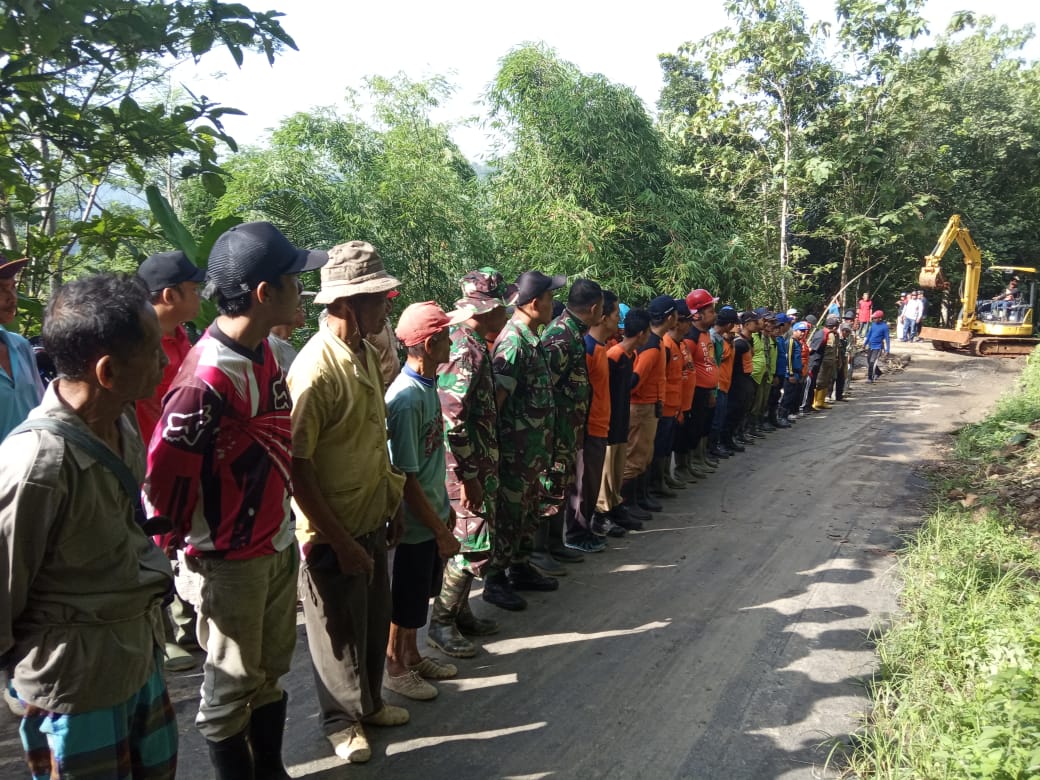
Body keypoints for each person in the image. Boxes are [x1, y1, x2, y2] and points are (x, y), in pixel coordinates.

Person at [144, 221, 327, 780]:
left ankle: (271, 770)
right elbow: (162, 483)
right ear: (264, 292)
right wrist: (189, 554)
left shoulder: (263, 354)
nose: (303, 291)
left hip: (271, 543)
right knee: (228, 691)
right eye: (294, 280)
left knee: (269, 673)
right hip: (227, 560)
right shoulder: (204, 381)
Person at [1, 273, 177, 779]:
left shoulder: (119, 421)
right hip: (76, 692)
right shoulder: (36, 466)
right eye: (151, 349)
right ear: (107, 371)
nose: (164, 360)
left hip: (138, 660)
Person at [287, 240, 409, 764]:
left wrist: (393, 500)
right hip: (329, 528)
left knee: (370, 616)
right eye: (379, 298)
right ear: (347, 303)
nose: (387, 306)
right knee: (335, 631)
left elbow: (371, 439)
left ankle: (370, 702)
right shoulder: (315, 370)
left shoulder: (362, 353)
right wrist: (336, 537)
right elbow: (298, 466)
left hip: (369, 512)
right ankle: (342, 722)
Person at [385, 302, 468, 702]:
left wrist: (445, 509)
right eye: (447, 336)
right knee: (406, 595)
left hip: (432, 512)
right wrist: (436, 528)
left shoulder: (428, 387)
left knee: (420, 593)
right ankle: (395, 665)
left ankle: (413, 656)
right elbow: (404, 475)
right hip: (415, 522)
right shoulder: (405, 399)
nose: (452, 341)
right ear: (431, 343)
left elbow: (430, 458)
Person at [430, 269, 509, 658]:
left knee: (474, 539)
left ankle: (460, 613)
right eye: (501, 309)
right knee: (470, 542)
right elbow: (452, 419)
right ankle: (442, 622)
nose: (506, 316)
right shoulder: (467, 349)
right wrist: (469, 477)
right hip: (464, 469)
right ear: (484, 311)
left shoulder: (471, 342)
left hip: (475, 463)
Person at [135, 249, 206, 673]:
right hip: (147, 460)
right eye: (193, 289)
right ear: (168, 294)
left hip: (184, 454)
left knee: (178, 537)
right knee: (151, 542)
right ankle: (160, 632)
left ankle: (185, 620)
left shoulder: (184, 336)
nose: (200, 294)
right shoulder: (138, 343)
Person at [485, 271, 563, 610]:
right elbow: (496, 403)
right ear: (534, 304)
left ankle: (519, 566)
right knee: (510, 514)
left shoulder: (531, 337)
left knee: (528, 510)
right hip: (515, 451)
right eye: (548, 298)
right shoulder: (514, 342)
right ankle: (495, 579)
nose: (553, 304)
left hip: (532, 449)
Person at [537, 279, 604, 562]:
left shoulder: (574, 333)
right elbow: (543, 391)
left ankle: (555, 545)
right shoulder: (560, 337)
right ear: (594, 307)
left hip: (568, 431)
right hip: (554, 432)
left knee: (561, 486)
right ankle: (538, 552)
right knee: (549, 487)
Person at [566, 290, 621, 545]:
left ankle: (585, 528)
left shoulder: (599, 348)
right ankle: (577, 534)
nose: (618, 319)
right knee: (583, 484)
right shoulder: (587, 348)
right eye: (615, 313)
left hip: (601, 424)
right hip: (588, 428)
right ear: (600, 314)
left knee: (591, 483)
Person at [596, 308, 651, 528]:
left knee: (618, 469)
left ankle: (615, 507)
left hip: (621, 419)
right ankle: (601, 514)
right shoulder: (614, 355)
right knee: (606, 472)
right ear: (641, 334)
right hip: (608, 420)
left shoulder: (630, 355)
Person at [623, 295, 677, 516]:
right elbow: (635, 380)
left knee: (644, 455)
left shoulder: (657, 343)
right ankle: (628, 502)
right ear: (669, 317)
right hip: (641, 407)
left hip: (650, 406)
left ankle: (641, 496)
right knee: (635, 456)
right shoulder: (652, 347)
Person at [0, 254, 45, 440]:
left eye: (13, 287)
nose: (12, 297)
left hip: (32, 464)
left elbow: (42, 409)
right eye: (1, 289)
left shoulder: (20, 346)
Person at [367, 290, 403, 389]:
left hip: (394, 384)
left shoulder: (386, 322)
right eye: (387, 300)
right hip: (379, 386)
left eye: (391, 300)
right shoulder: (370, 327)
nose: (390, 304)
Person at [862, 310, 891, 382]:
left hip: (878, 347)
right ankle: (878, 372)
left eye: (875, 318)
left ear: (880, 318)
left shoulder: (884, 327)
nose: (874, 319)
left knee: (872, 361)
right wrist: (865, 343)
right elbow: (869, 335)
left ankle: (870, 378)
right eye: (873, 318)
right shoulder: (873, 324)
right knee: (869, 361)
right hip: (871, 345)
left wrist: (887, 350)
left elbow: (887, 339)